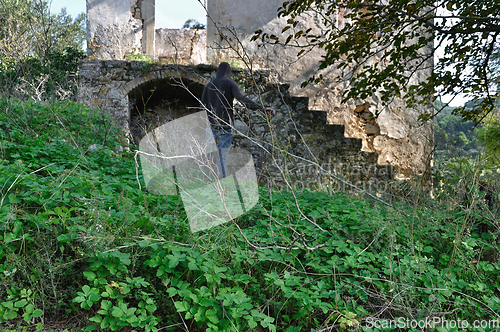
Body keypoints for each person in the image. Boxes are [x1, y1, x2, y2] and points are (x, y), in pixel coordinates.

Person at [201, 62, 275, 179]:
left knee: (209, 157)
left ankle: (206, 182)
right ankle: (220, 186)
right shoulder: (230, 83)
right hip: (225, 126)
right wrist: (262, 108)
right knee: (222, 157)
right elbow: (243, 99)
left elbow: (202, 107)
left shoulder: (209, 85)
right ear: (228, 71)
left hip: (211, 126)